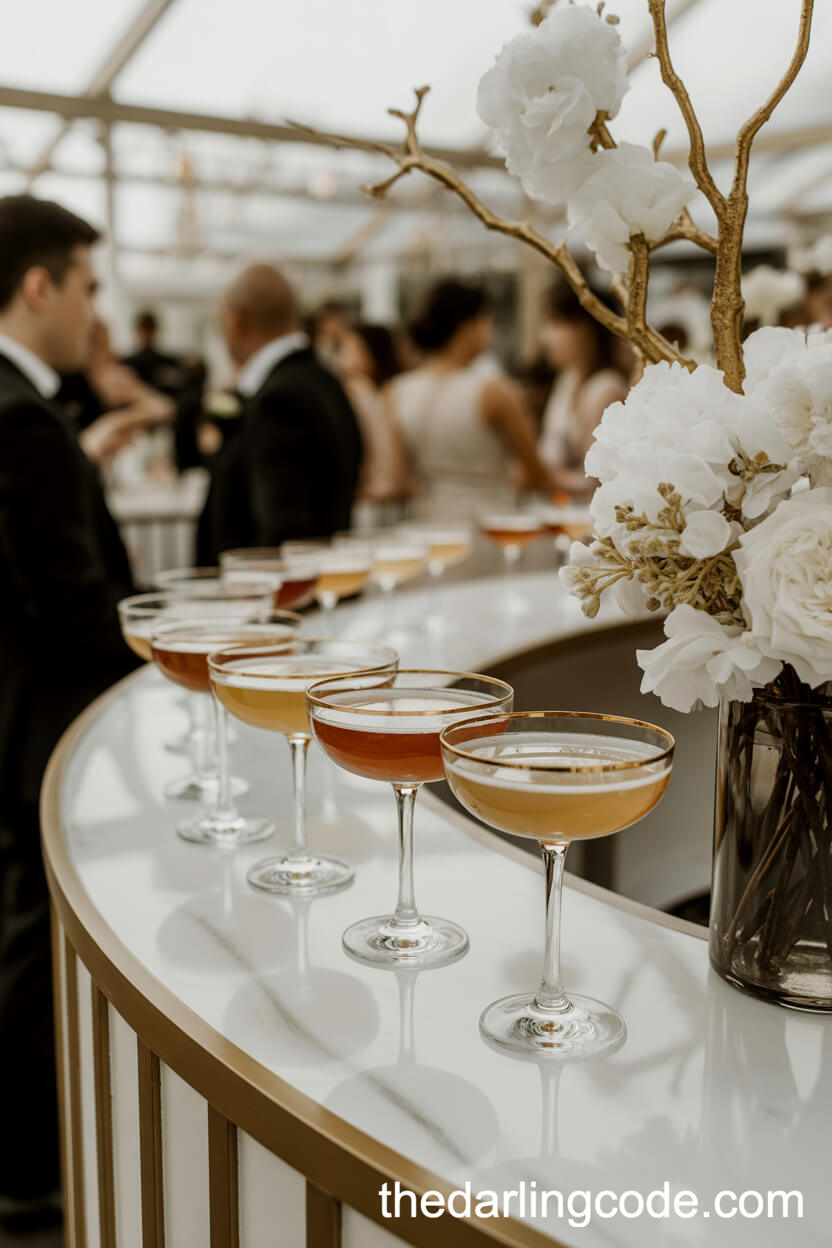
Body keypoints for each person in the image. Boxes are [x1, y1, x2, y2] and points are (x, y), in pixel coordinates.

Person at [0, 195, 139, 1231]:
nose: (95, 314)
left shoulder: (26, 408)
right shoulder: (21, 414)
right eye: (86, 287)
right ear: (38, 286)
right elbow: (74, 604)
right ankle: (34, 1169)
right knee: (30, 940)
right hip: (41, 717)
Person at [197, 264, 363, 561]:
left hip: (270, 599)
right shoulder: (326, 382)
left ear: (237, 320)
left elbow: (284, 534)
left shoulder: (280, 399)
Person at [389, 279, 554, 521]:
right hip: (488, 521)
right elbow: (536, 473)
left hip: (425, 523)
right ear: (468, 325)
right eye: (486, 320)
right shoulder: (493, 391)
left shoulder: (397, 391)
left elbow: (399, 481)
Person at [538, 283, 628, 497]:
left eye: (557, 323)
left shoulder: (606, 388)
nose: (546, 337)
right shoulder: (567, 380)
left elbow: (598, 482)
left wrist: (540, 475)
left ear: (587, 329)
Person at [335, 323, 407, 507]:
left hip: (375, 494)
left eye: (355, 348)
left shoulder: (362, 390)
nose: (346, 358)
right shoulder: (369, 390)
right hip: (382, 493)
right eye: (344, 348)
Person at [121, 308, 186, 395]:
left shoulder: (167, 362)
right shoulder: (128, 364)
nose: (146, 334)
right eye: (144, 329)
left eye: (149, 329)